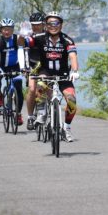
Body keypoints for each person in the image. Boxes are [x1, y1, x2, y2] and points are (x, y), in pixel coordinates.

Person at [25, 11, 79, 142]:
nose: (52, 26)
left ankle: (66, 128)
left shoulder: (67, 40)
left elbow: (72, 56)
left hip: (63, 75)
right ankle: (42, 114)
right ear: (45, 25)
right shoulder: (40, 37)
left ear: (61, 25)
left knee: (71, 99)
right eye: (49, 23)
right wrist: (21, 37)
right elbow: (25, 42)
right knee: (40, 85)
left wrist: (75, 71)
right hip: (46, 72)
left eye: (56, 23)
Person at [0, 18, 26, 125]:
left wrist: (22, 68)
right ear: (1, 30)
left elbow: (21, 53)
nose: (7, 32)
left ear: (13, 30)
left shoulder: (17, 39)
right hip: (1, 66)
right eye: (4, 29)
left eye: (9, 29)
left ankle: (18, 114)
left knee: (19, 89)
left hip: (15, 66)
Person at [24, 12, 46, 130]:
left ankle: (51, 113)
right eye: (33, 25)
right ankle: (30, 116)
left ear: (43, 24)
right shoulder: (29, 37)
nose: (35, 27)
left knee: (46, 90)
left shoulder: (49, 35)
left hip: (46, 67)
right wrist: (26, 68)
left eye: (38, 24)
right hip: (32, 65)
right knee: (32, 89)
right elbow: (25, 52)